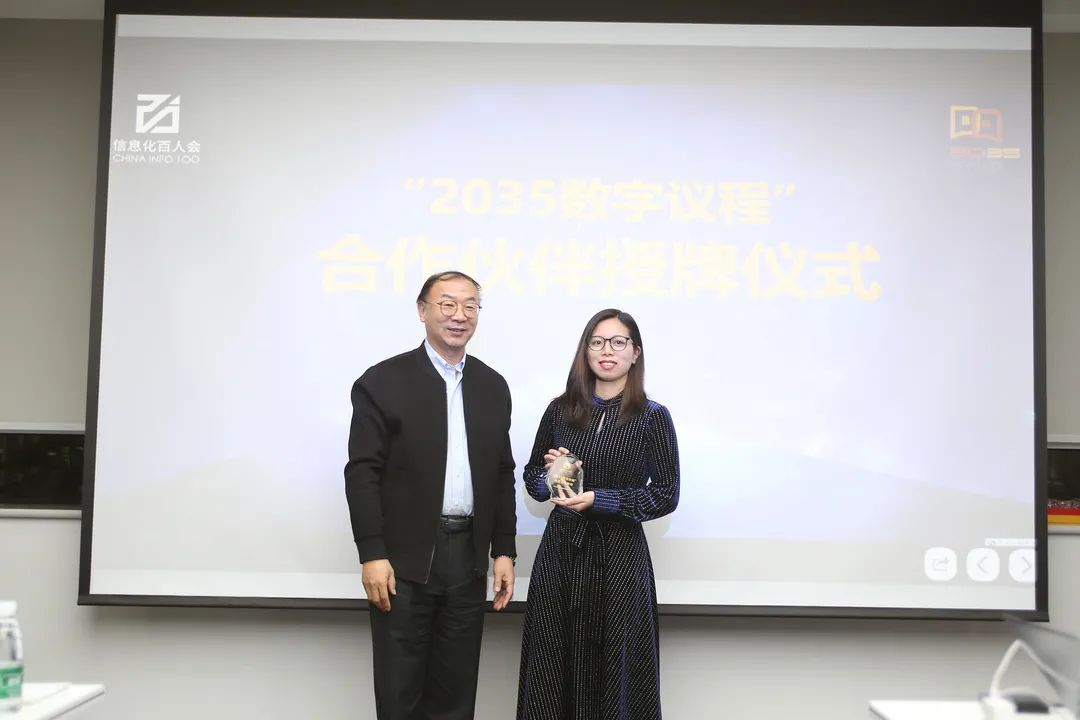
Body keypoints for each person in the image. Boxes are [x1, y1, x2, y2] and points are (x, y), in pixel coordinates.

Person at [345, 270, 517, 720]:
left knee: (455, 694)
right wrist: (372, 553)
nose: (459, 315)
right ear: (423, 311)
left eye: (470, 305)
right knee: (399, 692)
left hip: (467, 560)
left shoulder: (492, 386)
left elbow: (502, 472)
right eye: (447, 304)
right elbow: (362, 473)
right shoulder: (382, 382)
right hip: (403, 563)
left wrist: (504, 549)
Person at [517, 308, 680, 720]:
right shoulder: (559, 410)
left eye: (618, 342)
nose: (607, 350)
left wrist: (600, 499)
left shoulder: (652, 416)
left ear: (635, 353)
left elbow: (665, 495)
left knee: (617, 670)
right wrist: (553, 476)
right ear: (585, 351)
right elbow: (534, 478)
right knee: (550, 662)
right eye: (598, 342)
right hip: (561, 553)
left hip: (620, 558)